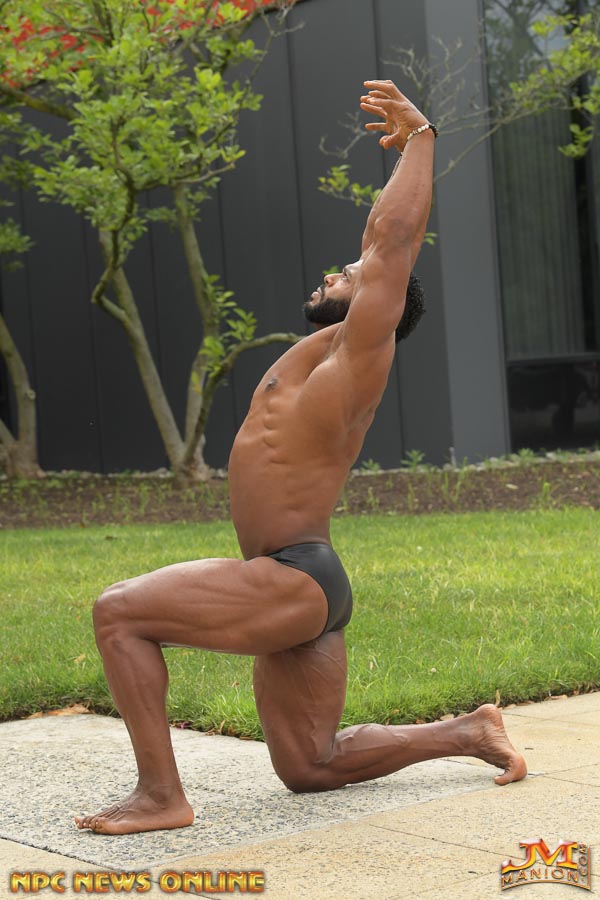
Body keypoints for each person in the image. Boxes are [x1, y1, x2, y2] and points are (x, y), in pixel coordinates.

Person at [75, 80, 526, 836]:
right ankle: (467, 731)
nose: (332, 273)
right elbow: (373, 248)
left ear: (378, 301)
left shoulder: (360, 353)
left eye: (347, 276)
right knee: (310, 765)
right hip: (303, 580)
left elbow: (391, 244)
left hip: (291, 576)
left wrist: (421, 139)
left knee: (118, 613)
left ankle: (160, 796)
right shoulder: (320, 355)